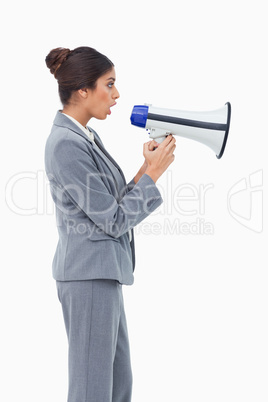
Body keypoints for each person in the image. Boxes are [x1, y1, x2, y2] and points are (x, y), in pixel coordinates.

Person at [45, 46, 176, 402]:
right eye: (110, 84)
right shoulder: (65, 145)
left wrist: (145, 171)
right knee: (92, 390)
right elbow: (114, 220)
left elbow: (111, 203)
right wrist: (154, 174)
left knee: (117, 387)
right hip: (88, 278)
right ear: (83, 90)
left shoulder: (83, 136)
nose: (117, 94)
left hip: (101, 275)